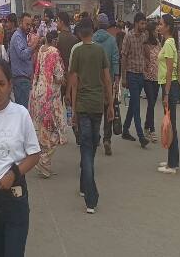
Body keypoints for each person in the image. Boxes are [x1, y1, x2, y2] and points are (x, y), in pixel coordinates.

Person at [0, 59, 41, 255]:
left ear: (10, 85)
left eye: (1, 84)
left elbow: (34, 154)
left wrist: (14, 173)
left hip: (15, 196)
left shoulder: (21, 114)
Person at [69, 18, 114, 213]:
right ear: (93, 32)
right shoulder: (100, 51)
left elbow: (73, 83)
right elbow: (107, 79)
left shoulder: (77, 52)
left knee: (86, 148)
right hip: (97, 105)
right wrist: (110, 104)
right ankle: (89, 191)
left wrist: (72, 109)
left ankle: (89, 193)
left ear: (80, 34)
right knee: (91, 146)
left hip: (83, 105)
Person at [29, 30, 66, 178]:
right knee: (58, 129)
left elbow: (37, 72)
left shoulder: (41, 51)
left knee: (44, 129)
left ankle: (44, 164)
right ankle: (43, 160)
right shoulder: (54, 52)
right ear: (55, 41)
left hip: (39, 92)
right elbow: (58, 75)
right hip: (51, 94)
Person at [93, 13, 124, 155]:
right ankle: (107, 138)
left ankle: (96, 136)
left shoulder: (92, 39)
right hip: (109, 79)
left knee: (96, 110)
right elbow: (115, 60)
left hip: (94, 81)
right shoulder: (112, 41)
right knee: (108, 109)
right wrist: (116, 78)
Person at [120, 12, 149, 150]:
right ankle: (141, 136)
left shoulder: (144, 36)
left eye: (145, 23)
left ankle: (125, 129)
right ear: (136, 23)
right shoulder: (128, 36)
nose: (144, 26)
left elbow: (145, 53)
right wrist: (123, 77)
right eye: (142, 23)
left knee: (133, 103)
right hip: (131, 74)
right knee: (136, 106)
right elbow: (123, 57)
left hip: (141, 74)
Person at [156, 14, 180, 174]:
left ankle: (172, 163)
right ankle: (172, 159)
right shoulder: (168, 42)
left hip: (169, 86)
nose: (159, 26)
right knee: (170, 123)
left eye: (161, 24)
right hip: (168, 85)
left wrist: (166, 93)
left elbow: (170, 69)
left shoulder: (170, 43)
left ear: (167, 27)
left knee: (170, 124)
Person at [8, 13, 39, 109]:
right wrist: (34, 45)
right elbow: (23, 54)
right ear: (20, 23)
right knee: (22, 110)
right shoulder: (17, 36)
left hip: (23, 79)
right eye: (27, 24)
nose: (29, 27)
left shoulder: (22, 36)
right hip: (20, 79)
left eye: (30, 25)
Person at [143, 21, 161, 143]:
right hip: (147, 77)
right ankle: (152, 129)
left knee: (153, 102)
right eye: (155, 30)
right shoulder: (144, 44)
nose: (157, 32)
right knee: (150, 101)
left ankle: (146, 125)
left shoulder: (158, 43)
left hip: (157, 76)